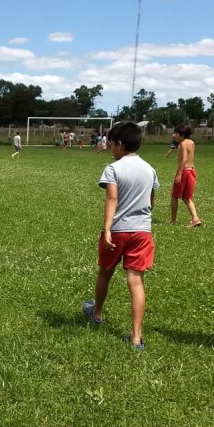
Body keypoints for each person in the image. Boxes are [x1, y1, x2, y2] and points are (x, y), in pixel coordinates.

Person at [82, 122, 159, 350]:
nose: (110, 147)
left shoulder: (113, 169)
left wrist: (107, 229)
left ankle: (96, 313)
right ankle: (136, 336)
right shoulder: (150, 169)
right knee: (136, 282)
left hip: (117, 231)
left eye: (111, 143)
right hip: (142, 231)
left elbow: (112, 199)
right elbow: (152, 202)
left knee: (105, 272)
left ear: (119, 144)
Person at [170, 126, 202, 227]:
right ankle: (195, 219)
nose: (174, 135)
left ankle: (173, 221)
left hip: (184, 171)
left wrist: (179, 173)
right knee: (186, 197)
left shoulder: (183, 144)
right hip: (192, 171)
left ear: (182, 135)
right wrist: (175, 139)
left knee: (174, 196)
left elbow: (184, 159)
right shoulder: (191, 142)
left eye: (176, 133)